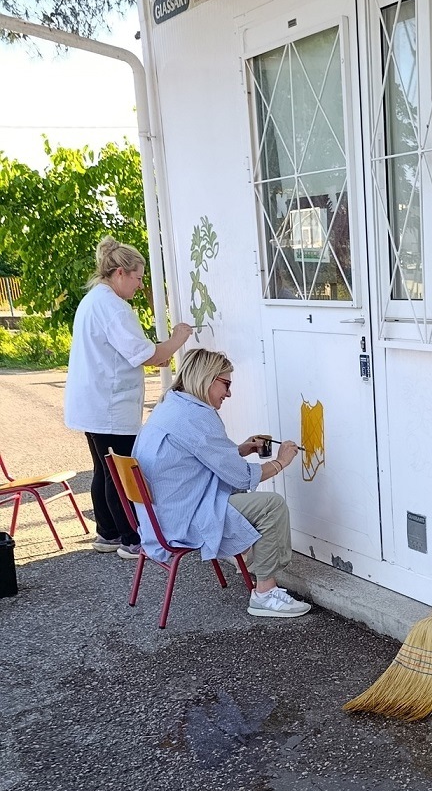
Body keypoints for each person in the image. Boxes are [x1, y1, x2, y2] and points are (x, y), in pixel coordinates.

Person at [132, 348, 311, 619]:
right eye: (226, 384)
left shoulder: (172, 404)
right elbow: (240, 477)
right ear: (207, 378)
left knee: (248, 500)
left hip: (159, 516)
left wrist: (238, 451)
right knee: (271, 506)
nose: (228, 393)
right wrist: (281, 462)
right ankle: (265, 594)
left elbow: (194, 457)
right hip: (183, 519)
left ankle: (254, 565)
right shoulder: (196, 416)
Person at [64, 236, 193, 558]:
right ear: (120, 272)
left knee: (103, 468)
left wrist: (154, 354)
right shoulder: (113, 307)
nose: (140, 284)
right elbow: (146, 354)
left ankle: (107, 533)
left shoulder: (95, 300)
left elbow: (127, 352)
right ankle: (131, 539)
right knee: (120, 472)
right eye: (138, 277)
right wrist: (177, 339)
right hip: (109, 404)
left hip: (94, 401)